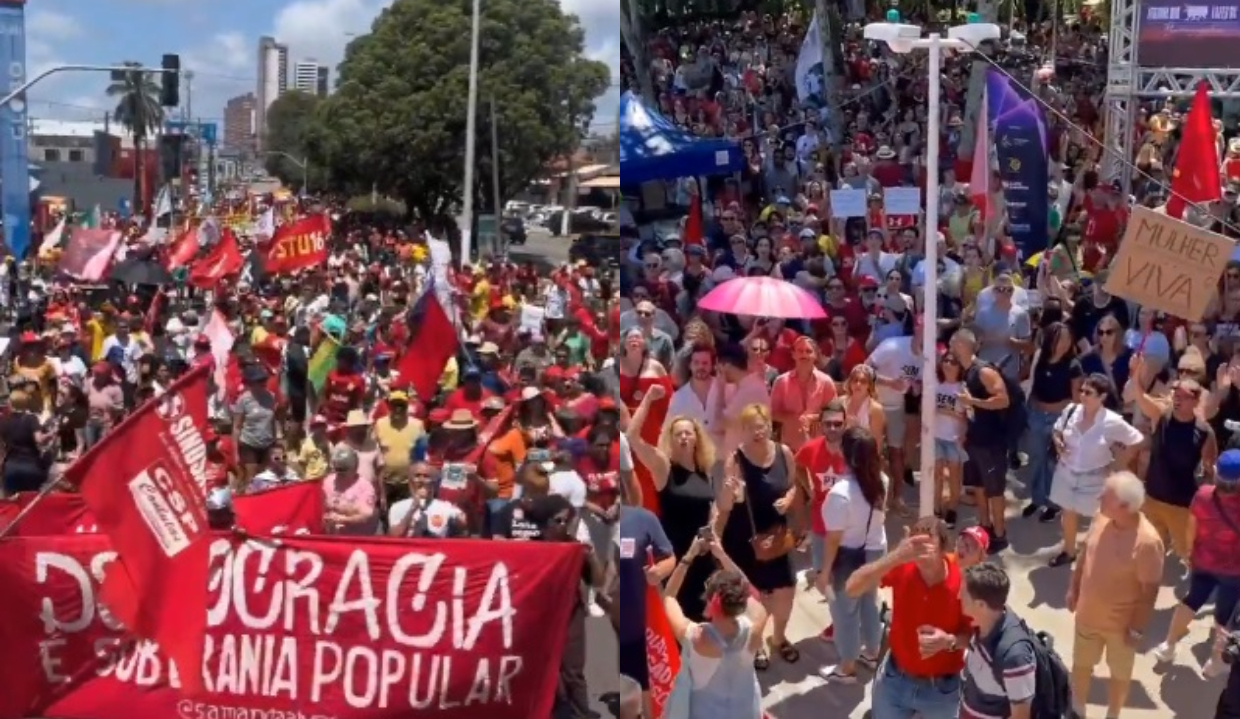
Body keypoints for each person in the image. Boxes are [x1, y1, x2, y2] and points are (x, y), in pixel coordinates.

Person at [845, 517, 971, 718]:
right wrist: (895, 557)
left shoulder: (964, 581)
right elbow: (852, 588)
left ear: (942, 548)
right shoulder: (902, 566)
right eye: (914, 542)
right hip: (895, 680)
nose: (918, 549)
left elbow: (976, 637)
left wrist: (949, 641)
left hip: (942, 690)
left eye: (926, 542)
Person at [1065, 471, 1163, 718]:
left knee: (1119, 674)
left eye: (1105, 496)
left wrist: (1136, 629)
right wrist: (1073, 587)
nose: (1098, 497)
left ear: (1124, 506)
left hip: (1121, 627)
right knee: (1081, 666)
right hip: (1087, 617)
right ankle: (1078, 710)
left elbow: (1148, 592)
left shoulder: (1148, 543)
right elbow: (1086, 553)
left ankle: (1114, 713)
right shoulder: (1101, 518)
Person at [713, 403, 797, 670]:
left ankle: (779, 638)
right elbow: (726, 504)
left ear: (770, 427)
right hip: (746, 537)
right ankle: (757, 641)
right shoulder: (736, 460)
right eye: (750, 428)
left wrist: (789, 498)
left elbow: (794, 485)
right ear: (743, 431)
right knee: (756, 597)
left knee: (785, 592)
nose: (757, 432)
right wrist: (728, 490)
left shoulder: (784, 453)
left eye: (761, 426)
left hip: (777, 534)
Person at [628, 381, 718, 620]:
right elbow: (632, 437)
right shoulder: (663, 467)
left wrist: (713, 535)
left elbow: (710, 508)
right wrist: (648, 399)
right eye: (678, 434)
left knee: (704, 617)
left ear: (697, 438)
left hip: (703, 555)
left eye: (689, 432)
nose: (684, 438)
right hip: (676, 557)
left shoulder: (703, 470)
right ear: (671, 438)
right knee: (676, 617)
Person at [660, 533, 767, 719]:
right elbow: (747, 587)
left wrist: (689, 556)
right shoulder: (756, 625)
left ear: (710, 601)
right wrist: (722, 555)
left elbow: (668, 596)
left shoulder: (695, 636)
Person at [1155, 448, 1240, 676]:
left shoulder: (1203, 495)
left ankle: (1168, 646)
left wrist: (1189, 555)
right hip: (1234, 571)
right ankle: (1214, 663)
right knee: (1224, 616)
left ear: (1215, 471)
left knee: (1191, 600)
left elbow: (1191, 527)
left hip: (1203, 561)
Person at [1048, 374, 1143, 566]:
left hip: (1094, 478)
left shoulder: (1112, 421)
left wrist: (1121, 464)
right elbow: (1057, 429)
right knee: (1068, 514)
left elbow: (1136, 439)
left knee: (1100, 520)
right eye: (1081, 390)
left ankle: (1096, 556)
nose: (1082, 395)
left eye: (1088, 392)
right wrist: (1058, 442)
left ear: (1102, 397)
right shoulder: (1071, 410)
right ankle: (1069, 551)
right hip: (1066, 472)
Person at [816, 425, 888, 682]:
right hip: (876, 550)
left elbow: (833, 539)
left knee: (845, 614)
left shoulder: (839, 494)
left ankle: (847, 667)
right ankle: (872, 651)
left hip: (849, 559)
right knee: (869, 602)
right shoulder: (882, 481)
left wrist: (824, 573)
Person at [953, 328, 1013, 551]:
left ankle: (999, 534)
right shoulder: (967, 371)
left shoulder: (984, 371)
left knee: (994, 489)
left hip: (992, 442)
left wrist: (973, 402)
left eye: (954, 343)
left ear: (963, 345)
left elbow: (1003, 400)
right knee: (978, 487)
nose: (951, 347)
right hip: (975, 439)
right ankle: (984, 526)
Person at [615, 502, 675, 719]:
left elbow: (669, 556)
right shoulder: (580, 522)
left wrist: (658, 571)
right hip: (599, 631)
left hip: (636, 628)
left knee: (645, 688)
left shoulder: (643, 519)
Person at [958, 563, 1037, 717]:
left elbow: (1020, 716)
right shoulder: (985, 621)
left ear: (980, 605)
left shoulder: (1014, 657)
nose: (958, 597)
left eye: (963, 595)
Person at [1023, 321, 1083, 521]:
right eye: (1060, 339)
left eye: (1067, 339)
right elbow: (1031, 383)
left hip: (1059, 419)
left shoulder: (1073, 365)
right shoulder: (1040, 357)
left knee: (1053, 463)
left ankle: (1053, 503)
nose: (1064, 343)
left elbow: (1076, 397)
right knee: (1037, 458)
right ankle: (1037, 498)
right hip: (1037, 415)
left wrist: (1070, 423)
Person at [322, 445, 379, 535]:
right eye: (337, 469)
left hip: (356, 538)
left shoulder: (365, 487)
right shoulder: (328, 481)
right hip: (333, 536)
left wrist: (343, 519)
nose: (339, 474)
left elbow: (365, 515)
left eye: (343, 470)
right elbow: (320, 505)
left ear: (354, 468)